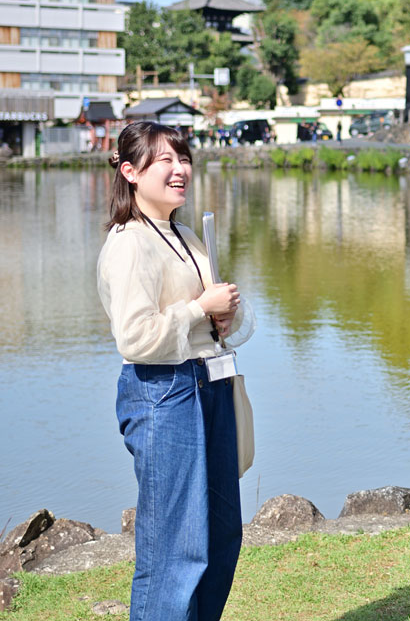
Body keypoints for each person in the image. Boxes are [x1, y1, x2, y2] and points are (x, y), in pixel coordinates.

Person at [97, 121, 255, 621]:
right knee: (176, 547)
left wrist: (229, 312)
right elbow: (136, 338)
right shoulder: (129, 243)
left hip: (208, 382)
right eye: (163, 159)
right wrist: (195, 310)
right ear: (130, 171)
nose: (179, 168)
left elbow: (221, 321)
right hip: (162, 391)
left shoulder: (186, 234)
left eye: (182, 157)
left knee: (222, 532)